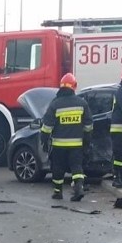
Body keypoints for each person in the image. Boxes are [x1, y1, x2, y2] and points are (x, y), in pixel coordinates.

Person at [40, 73, 93, 201]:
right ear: (74, 86)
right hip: (77, 145)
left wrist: (44, 141)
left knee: (58, 168)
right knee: (77, 167)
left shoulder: (55, 104)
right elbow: (89, 126)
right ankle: (79, 189)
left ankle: (58, 192)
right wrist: (86, 142)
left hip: (59, 145)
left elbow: (47, 126)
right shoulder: (82, 103)